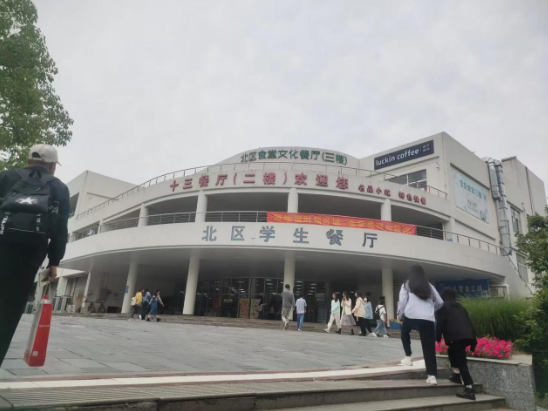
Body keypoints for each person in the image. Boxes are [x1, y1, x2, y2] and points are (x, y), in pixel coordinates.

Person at [0, 145, 70, 367]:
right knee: (8, 313)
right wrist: (54, 262)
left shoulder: (5, 177)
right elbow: (60, 230)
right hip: (28, 256)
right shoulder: (59, 188)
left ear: (29, 160)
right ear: (52, 166)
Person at [397, 265, 444, 385]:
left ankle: (408, 357)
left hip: (411, 315)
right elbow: (440, 302)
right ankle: (432, 376)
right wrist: (431, 310)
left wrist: (400, 315)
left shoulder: (406, 284)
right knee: (429, 346)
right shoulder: (429, 286)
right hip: (428, 318)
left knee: (404, 332)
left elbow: (402, 302)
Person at [436, 287, 478, 401]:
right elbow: (469, 323)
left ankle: (469, 389)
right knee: (451, 351)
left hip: (456, 337)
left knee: (461, 362)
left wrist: (437, 337)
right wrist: (474, 341)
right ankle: (456, 375)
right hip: (466, 337)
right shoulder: (461, 307)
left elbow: (440, 322)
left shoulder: (443, 307)